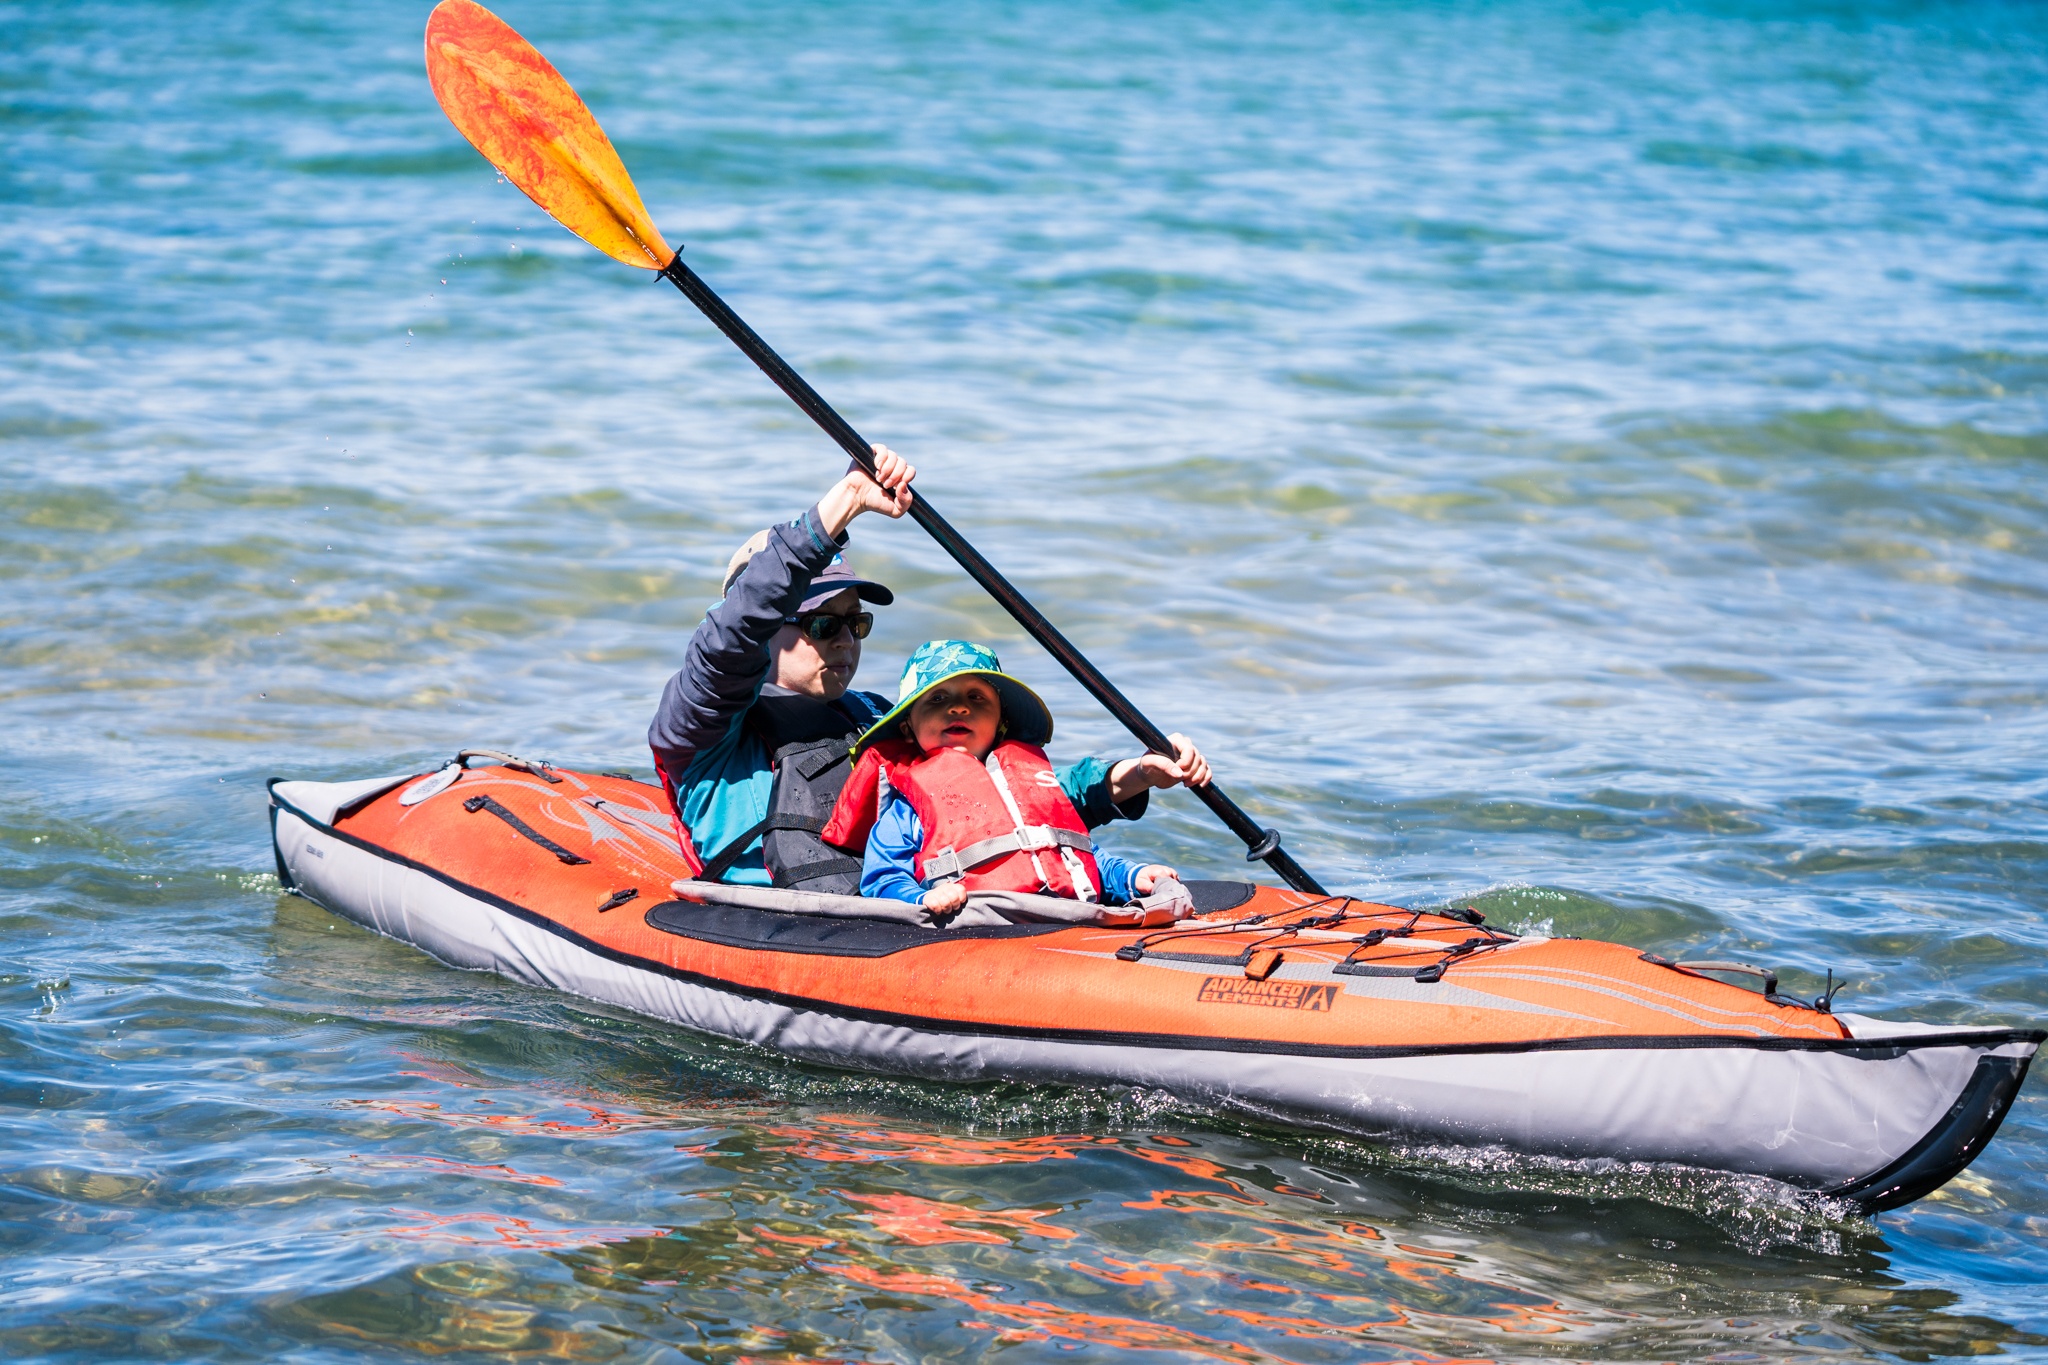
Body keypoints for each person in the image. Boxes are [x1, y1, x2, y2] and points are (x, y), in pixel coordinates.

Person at [647, 450, 1210, 890]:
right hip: (797, 930)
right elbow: (735, 631)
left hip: (915, 909)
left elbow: (1002, 798)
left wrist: (1132, 776)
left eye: (855, 623)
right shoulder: (703, 729)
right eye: (822, 624)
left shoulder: (873, 716)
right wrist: (846, 501)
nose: (845, 640)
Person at [820, 640, 1211, 915]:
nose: (958, 708)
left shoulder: (1037, 783)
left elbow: (1083, 856)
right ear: (908, 728)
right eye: (937, 699)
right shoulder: (907, 808)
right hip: (978, 929)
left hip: (1067, 918)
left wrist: (1131, 876)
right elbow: (882, 878)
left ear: (1001, 722)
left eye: (976, 698)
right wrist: (920, 899)